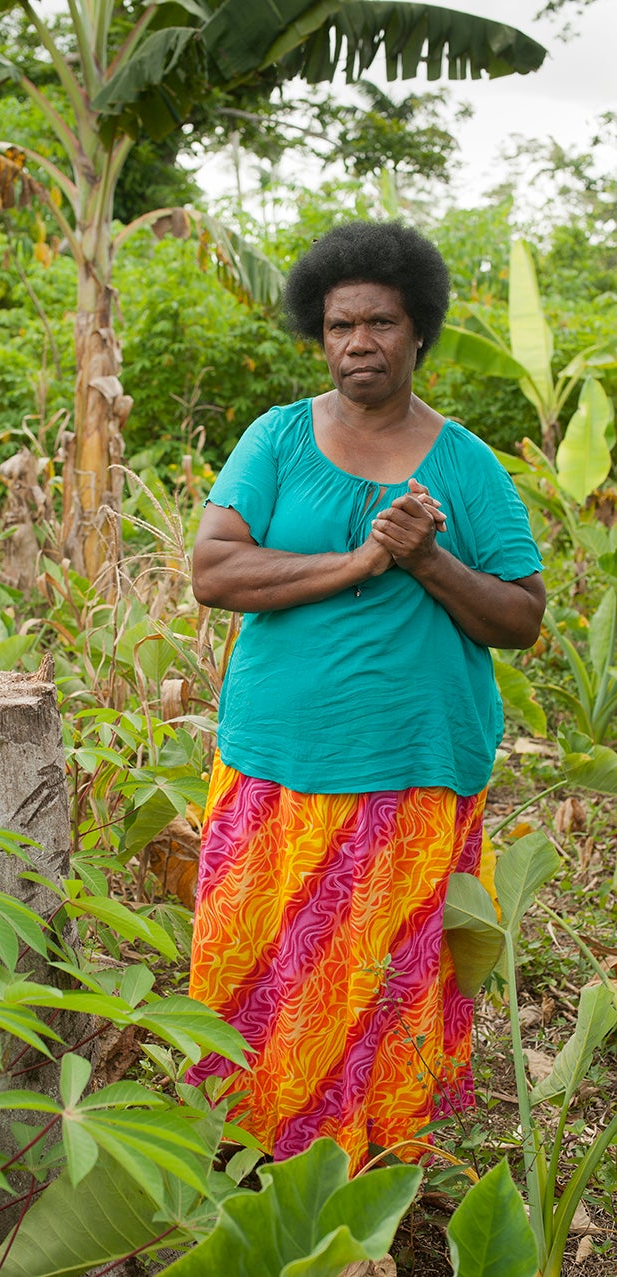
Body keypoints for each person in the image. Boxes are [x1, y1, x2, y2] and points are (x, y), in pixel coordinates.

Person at [185, 220, 545, 1172]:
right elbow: (214, 571)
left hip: (413, 766)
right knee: (268, 968)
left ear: (417, 331)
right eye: (340, 326)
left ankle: (380, 1170)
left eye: (379, 323)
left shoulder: (464, 464)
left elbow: (519, 618)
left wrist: (427, 559)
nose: (357, 344)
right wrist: (357, 561)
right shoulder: (276, 438)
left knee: (387, 981)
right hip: (278, 760)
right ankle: (253, 1160)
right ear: (320, 334)